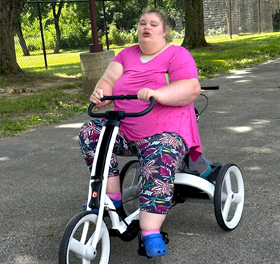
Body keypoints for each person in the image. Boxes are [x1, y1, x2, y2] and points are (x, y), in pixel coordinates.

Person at [79, 8, 210, 257]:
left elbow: (191, 88)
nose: (146, 27)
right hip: (128, 128)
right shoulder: (126, 55)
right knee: (91, 132)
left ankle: (150, 231)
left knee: (160, 153)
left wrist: (158, 93)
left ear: (164, 31)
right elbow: (108, 80)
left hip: (166, 130)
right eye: (141, 23)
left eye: (152, 24)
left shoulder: (176, 54)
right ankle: (113, 200)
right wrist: (101, 94)